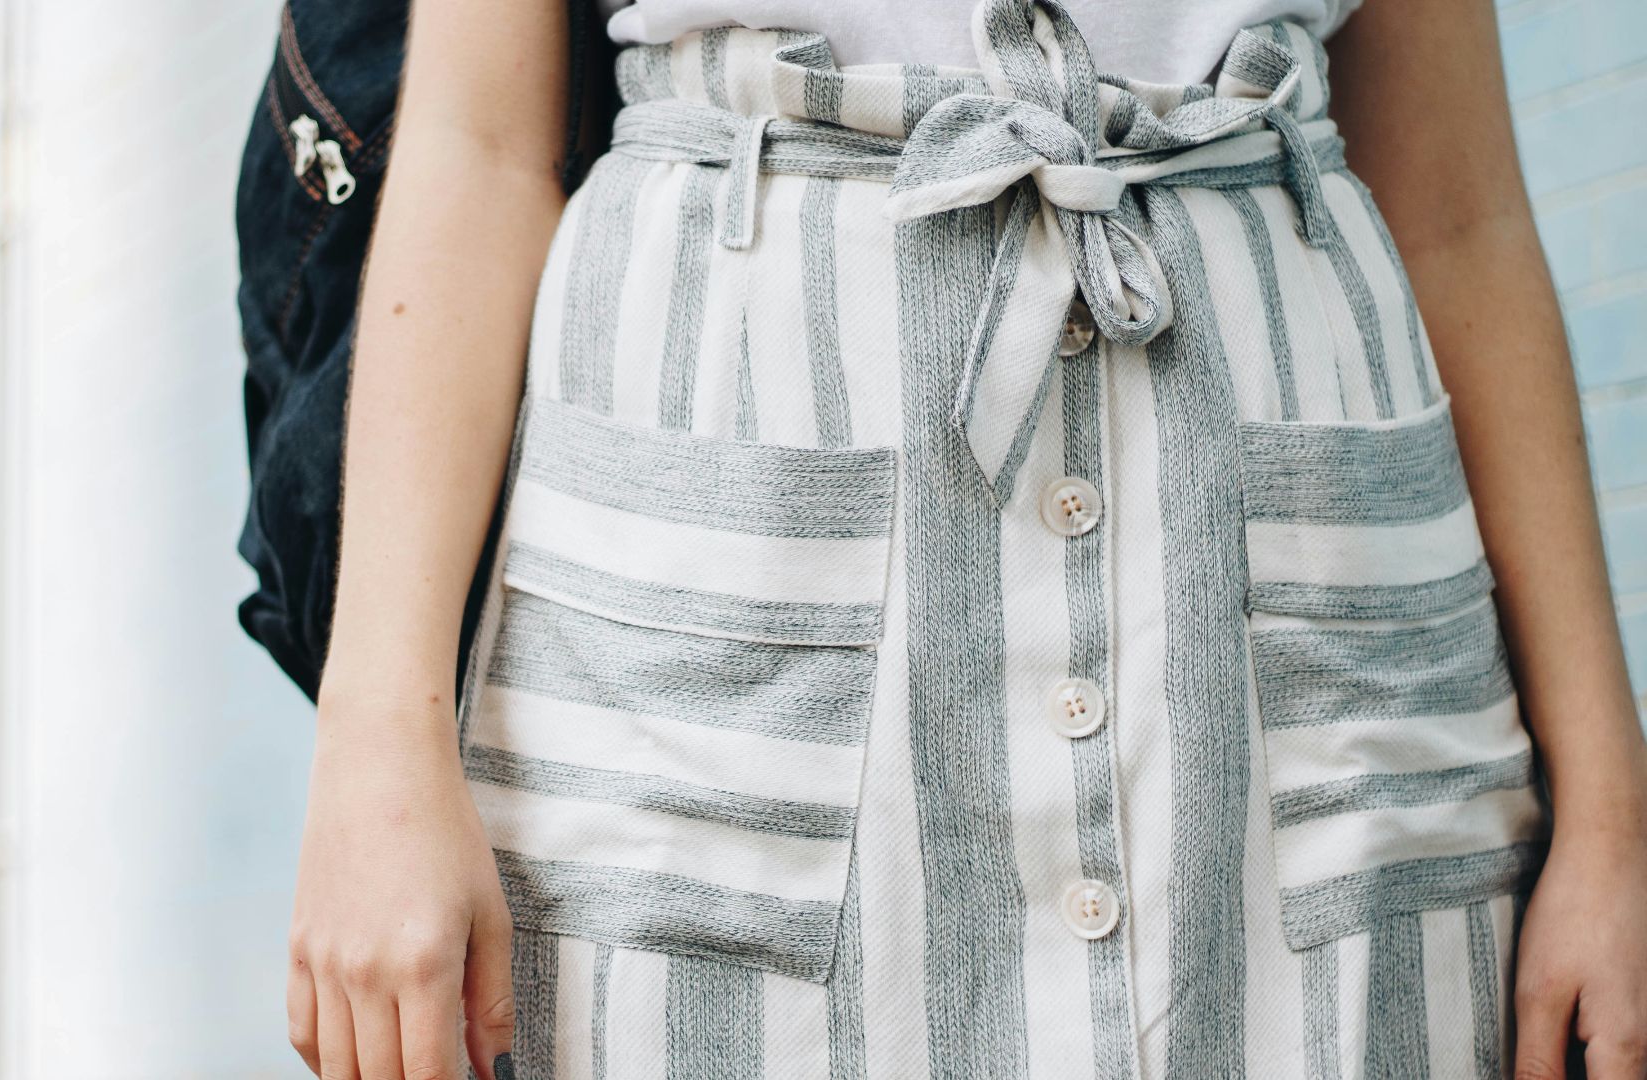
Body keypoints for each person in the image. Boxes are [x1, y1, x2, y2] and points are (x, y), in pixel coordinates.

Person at [272, 0, 1647, 1076]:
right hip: (733, 527)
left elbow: (1456, 208)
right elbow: (477, 147)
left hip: (1301, 539)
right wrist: (376, 741)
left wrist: (1612, 815)